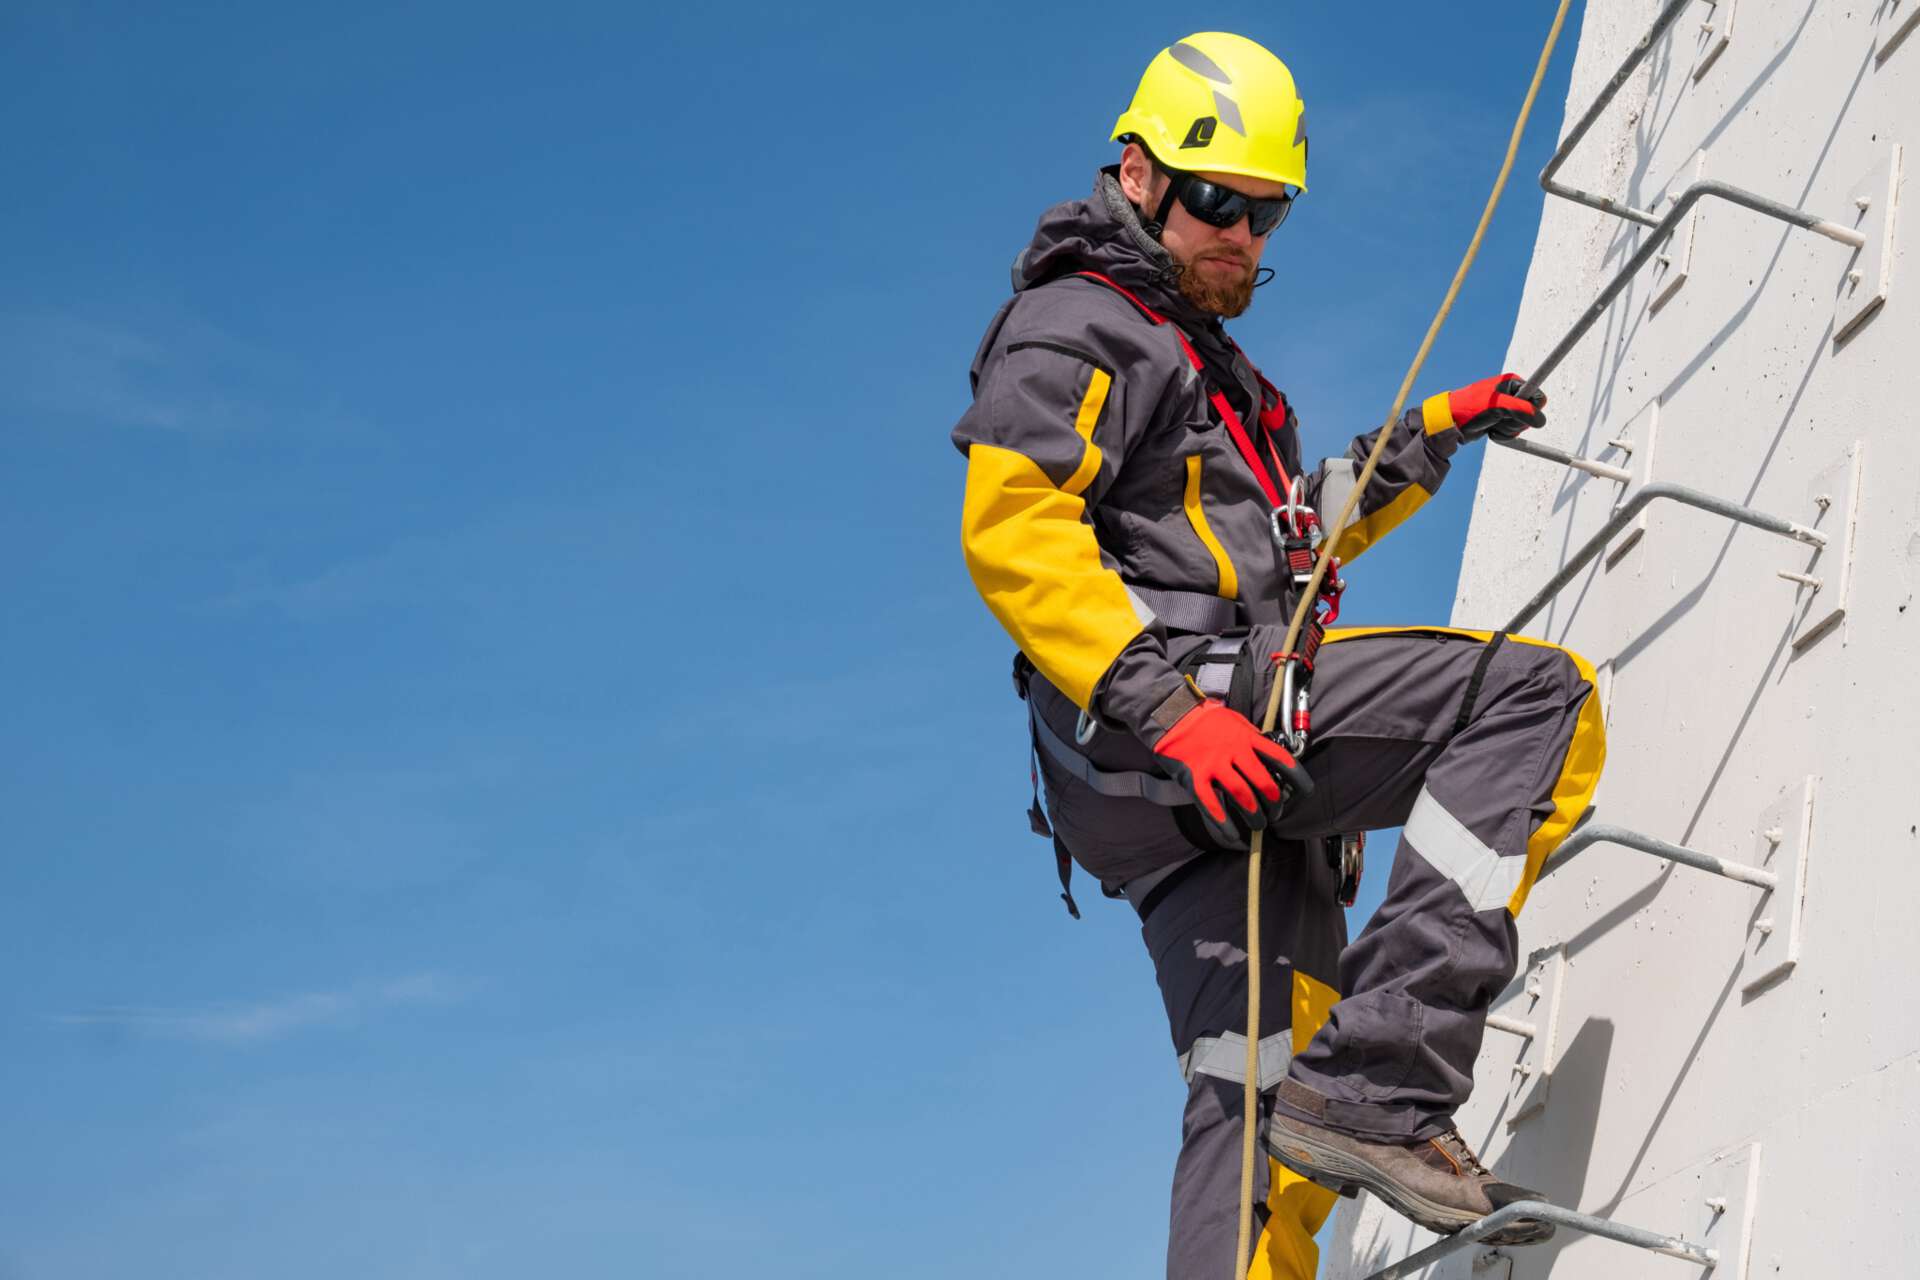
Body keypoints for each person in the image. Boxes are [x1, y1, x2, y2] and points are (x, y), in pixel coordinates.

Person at [949, 31, 1607, 1280]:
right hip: (1179, 730)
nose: (1243, 238)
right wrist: (1170, 711)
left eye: (1266, 216)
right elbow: (1016, 530)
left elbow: (1290, 532)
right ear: (1137, 175)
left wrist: (1430, 430)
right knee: (1535, 701)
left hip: (1195, 777)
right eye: (1218, 205)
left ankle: (1347, 1092)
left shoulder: (1218, 374)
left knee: (1262, 1097)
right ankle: (1389, 1070)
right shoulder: (1078, 323)